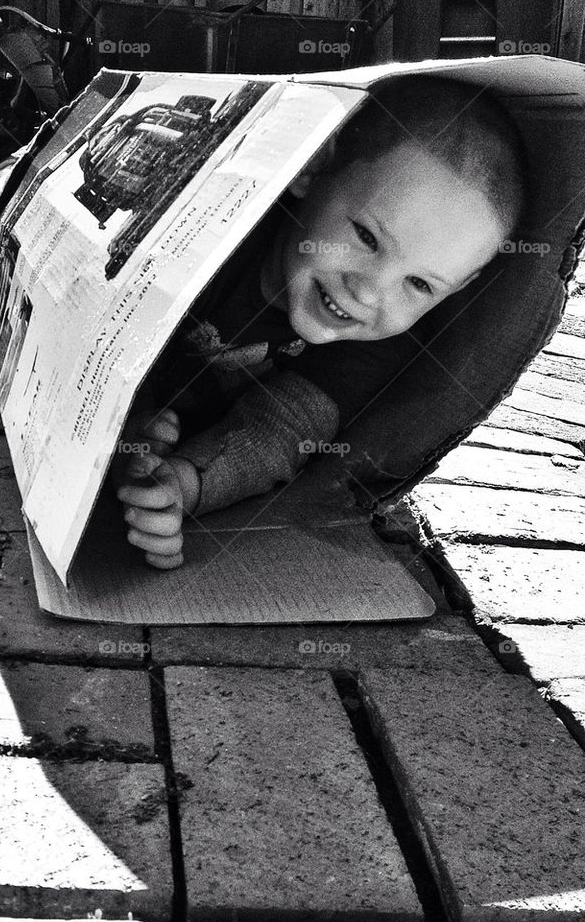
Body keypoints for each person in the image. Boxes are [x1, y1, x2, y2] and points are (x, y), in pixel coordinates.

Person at [112, 76, 527, 569]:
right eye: (368, 238)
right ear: (311, 169)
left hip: (177, 442)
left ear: (456, 289)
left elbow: (282, 430)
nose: (370, 291)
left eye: (420, 285)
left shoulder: (379, 344)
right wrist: (123, 427)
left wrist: (181, 484)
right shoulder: (220, 240)